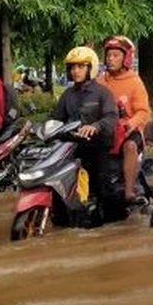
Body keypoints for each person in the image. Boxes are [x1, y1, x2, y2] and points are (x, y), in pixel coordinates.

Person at [51, 46, 125, 219]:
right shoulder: (67, 95)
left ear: (90, 68)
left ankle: (111, 220)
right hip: (71, 147)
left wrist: (95, 126)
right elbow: (56, 119)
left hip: (97, 147)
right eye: (72, 67)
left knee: (102, 188)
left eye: (80, 66)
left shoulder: (103, 93)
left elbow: (111, 117)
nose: (75, 71)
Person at [96, 35, 151, 204]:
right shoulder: (100, 81)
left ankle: (129, 191)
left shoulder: (135, 82)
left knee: (130, 146)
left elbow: (143, 111)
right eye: (108, 55)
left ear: (126, 58)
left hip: (128, 131)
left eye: (115, 56)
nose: (110, 59)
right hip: (105, 129)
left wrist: (131, 123)